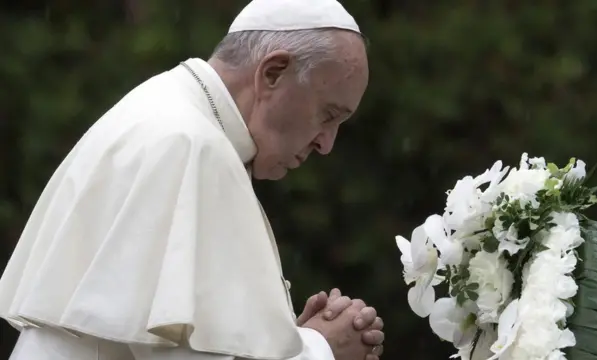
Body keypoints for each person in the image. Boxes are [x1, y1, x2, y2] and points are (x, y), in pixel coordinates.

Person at [0, 0, 385, 359]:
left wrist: (279, 337)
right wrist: (321, 348)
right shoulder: (191, 145)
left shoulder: (164, 111)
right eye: (328, 115)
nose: (327, 144)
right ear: (272, 72)